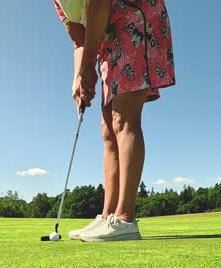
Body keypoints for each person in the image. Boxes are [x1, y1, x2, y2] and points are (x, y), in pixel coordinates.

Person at [53, 0, 175, 242]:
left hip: (136, 17)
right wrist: (78, 79)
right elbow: (79, 40)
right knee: (107, 129)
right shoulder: (58, 2)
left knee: (124, 119)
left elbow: (98, 5)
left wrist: (89, 66)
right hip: (107, 38)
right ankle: (108, 215)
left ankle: (125, 218)